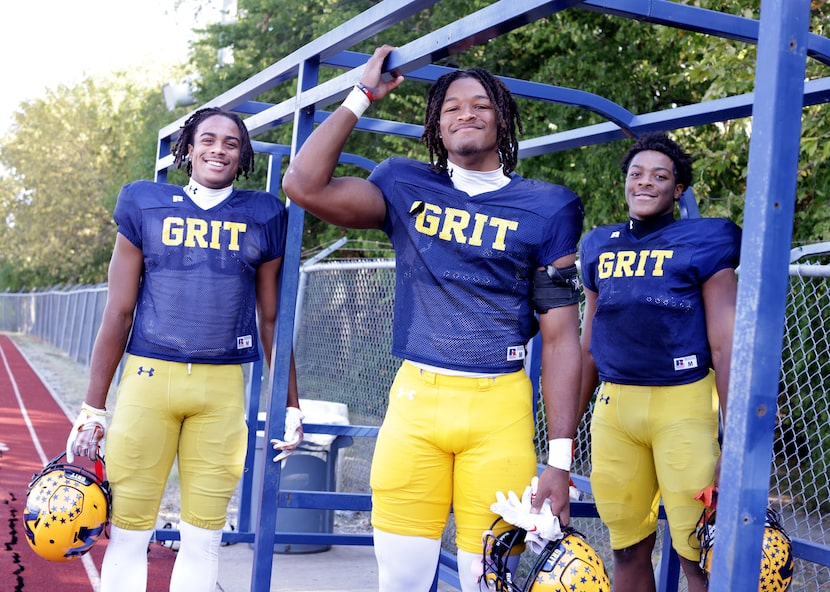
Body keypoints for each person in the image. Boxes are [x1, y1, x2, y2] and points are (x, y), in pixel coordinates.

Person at [282, 45, 584, 592]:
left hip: (500, 410)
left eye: (480, 105)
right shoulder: (404, 184)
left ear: (503, 118)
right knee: (399, 581)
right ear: (436, 128)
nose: (465, 113)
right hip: (416, 404)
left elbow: (563, 338)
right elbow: (302, 184)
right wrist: (362, 94)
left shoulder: (549, 206)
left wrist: (559, 461)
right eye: (451, 108)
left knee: (485, 580)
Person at [65, 107, 304, 592]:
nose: (219, 149)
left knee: (204, 537)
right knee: (129, 531)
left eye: (232, 143)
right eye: (208, 140)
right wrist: (93, 405)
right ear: (188, 149)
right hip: (148, 380)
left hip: (222, 389)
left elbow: (271, 318)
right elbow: (119, 310)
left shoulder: (263, 214)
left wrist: (291, 403)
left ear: (244, 156)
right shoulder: (145, 202)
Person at [578, 132, 741, 592]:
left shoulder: (705, 239)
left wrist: (736, 440)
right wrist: (562, 441)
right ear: (624, 183)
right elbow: (590, 342)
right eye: (636, 174)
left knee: (700, 552)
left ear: (678, 189)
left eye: (660, 175)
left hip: (683, 404)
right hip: (615, 409)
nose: (645, 182)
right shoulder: (599, 245)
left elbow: (726, 345)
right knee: (626, 547)